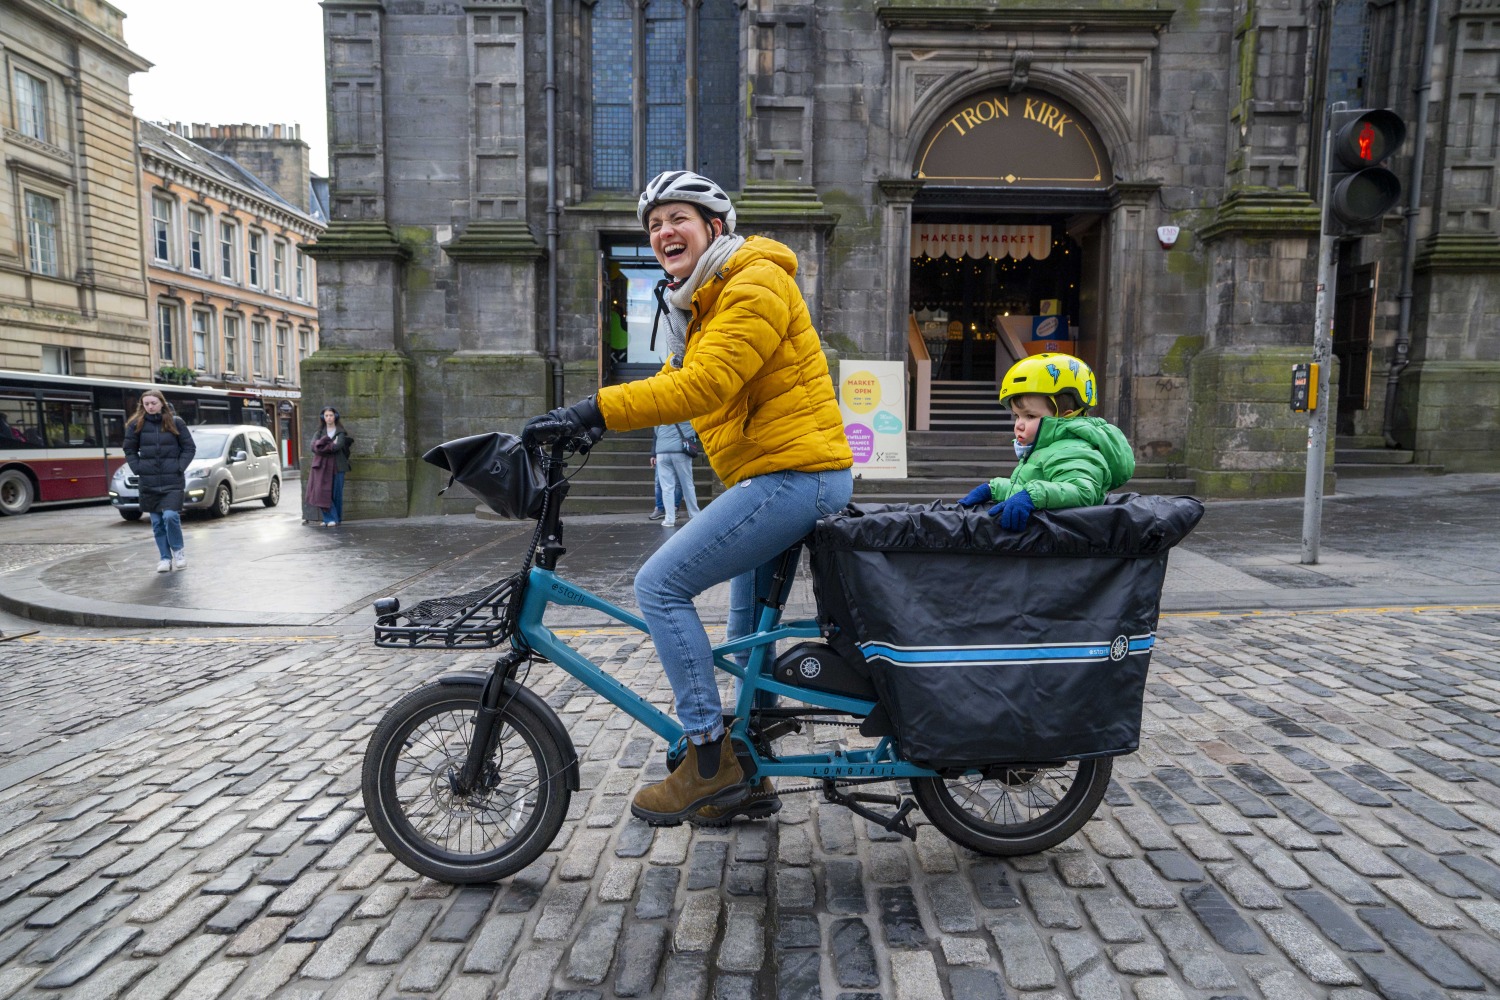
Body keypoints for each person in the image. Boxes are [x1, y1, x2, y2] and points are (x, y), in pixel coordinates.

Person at [525, 170, 853, 826]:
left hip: (794, 477)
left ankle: (708, 760)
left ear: (715, 228)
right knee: (741, 636)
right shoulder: (702, 305)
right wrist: (586, 420)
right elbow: (678, 381)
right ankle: (748, 770)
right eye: (653, 225)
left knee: (660, 585)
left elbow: (703, 386)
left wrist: (592, 410)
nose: (663, 232)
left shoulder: (755, 283)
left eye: (678, 218)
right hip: (773, 476)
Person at [958, 353, 1135, 528]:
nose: (1019, 425)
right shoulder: (1046, 449)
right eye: (1016, 416)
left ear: (1064, 417)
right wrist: (995, 489)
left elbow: (1083, 492)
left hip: (1063, 549)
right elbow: (1030, 489)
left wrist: (1031, 496)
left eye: (1030, 416)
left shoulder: (1074, 449)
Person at [123, 388, 196, 573]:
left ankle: (178, 552)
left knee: (170, 516)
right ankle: (165, 558)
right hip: (149, 481)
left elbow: (189, 448)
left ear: (162, 403)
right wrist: (138, 468)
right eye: (146, 404)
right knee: (156, 522)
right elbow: (129, 449)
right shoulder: (135, 425)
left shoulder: (176, 422)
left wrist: (179, 467)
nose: (150, 407)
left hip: (172, 479)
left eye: (153, 403)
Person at [307, 406, 354, 526]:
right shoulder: (319, 432)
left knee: (336, 493)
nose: (329, 418)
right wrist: (329, 445)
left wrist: (322, 445)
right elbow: (313, 447)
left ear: (335, 416)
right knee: (322, 492)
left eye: (331, 415)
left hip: (338, 466)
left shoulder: (340, 432)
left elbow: (338, 446)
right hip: (322, 466)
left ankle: (336, 519)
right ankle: (329, 518)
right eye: (326, 415)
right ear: (323, 417)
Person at [652, 421, 701, 527]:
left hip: (662, 452)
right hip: (680, 451)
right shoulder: (688, 413)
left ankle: (669, 519)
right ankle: (694, 515)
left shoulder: (661, 414)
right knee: (687, 485)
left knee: (667, 487)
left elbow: (656, 431)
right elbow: (698, 428)